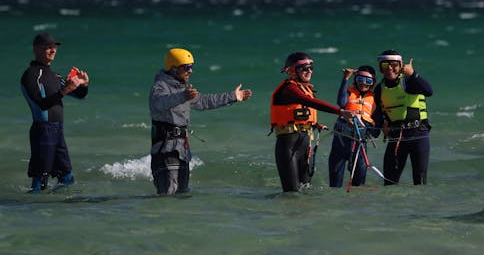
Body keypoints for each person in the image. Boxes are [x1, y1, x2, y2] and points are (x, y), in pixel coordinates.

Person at [149, 48, 252, 195]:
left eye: (191, 67)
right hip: (165, 151)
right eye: (187, 67)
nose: (190, 71)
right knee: (168, 196)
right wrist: (182, 96)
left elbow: (204, 101)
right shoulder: (160, 87)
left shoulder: (183, 89)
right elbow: (160, 103)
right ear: (174, 69)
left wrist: (233, 96)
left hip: (182, 150)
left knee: (182, 194)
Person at [270, 52, 352, 192]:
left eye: (311, 68)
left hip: (304, 143)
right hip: (289, 145)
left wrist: (314, 124)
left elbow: (302, 113)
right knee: (292, 193)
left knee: (306, 189)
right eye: (304, 68)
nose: (309, 71)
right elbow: (310, 102)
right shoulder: (288, 89)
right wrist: (340, 112)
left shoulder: (305, 88)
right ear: (292, 71)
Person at [20, 32, 89, 193]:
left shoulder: (54, 76)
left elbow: (79, 95)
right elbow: (41, 103)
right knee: (40, 179)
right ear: (36, 50)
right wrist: (65, 90)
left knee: (67, 177)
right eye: (47, 47)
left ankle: (58, 211)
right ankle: (30, 209)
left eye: (54, 47)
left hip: (58, 131)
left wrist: (83, 85)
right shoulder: (31, 75)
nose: (53, 51)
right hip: (42, 131)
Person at [371, 49, 433, 186]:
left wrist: (413, 74)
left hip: (418, 134)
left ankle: (420, 206)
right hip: (396, 137)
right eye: (385, 65)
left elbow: (429, 91)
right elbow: (377, 113)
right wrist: (380, 127)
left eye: (394, 65)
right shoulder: (379, 89)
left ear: (400, 66)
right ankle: (392, 207)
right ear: (381, 69)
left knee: (420, 182)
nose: (390, 69)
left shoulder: (409, 82)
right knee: (389, 183)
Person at [328, 65, 377, 188]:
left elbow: (377, 121)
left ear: (373, 83)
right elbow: (341, 103)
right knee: (335, 185)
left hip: (360, 142)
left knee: (358, 186)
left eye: (368, 81)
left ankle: (355, 207)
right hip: (341, 140)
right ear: (355, 80)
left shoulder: (374, 98)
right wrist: (345, 79)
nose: (364, 83)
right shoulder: (349, 91)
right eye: (360, 79)